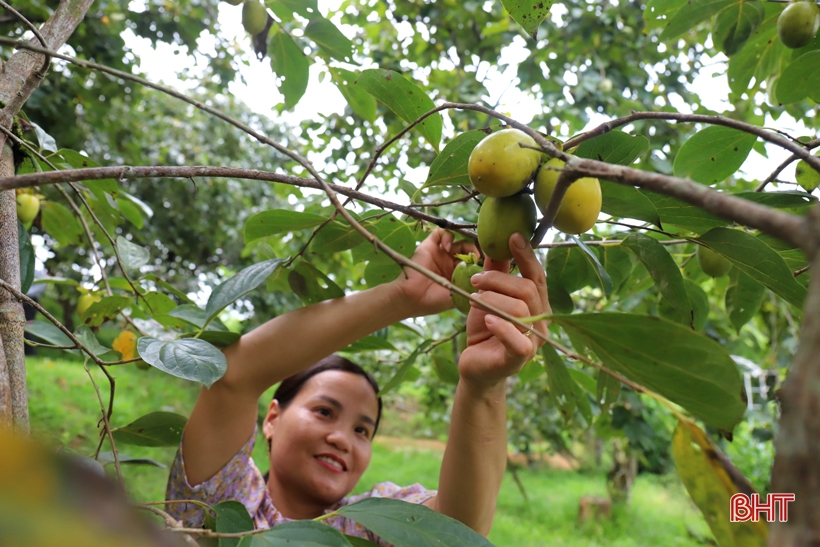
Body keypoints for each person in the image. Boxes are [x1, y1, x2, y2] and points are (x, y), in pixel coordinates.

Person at [165, 229, 551, 542]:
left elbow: (454, 531)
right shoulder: (222, 503)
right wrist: (402, 296)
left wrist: (483, 386)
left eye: (362, 430)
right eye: (324, 411)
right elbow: (233, 376)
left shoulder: (367, 526)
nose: (342, 439)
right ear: (272, 419)